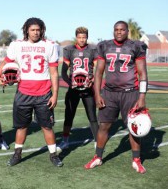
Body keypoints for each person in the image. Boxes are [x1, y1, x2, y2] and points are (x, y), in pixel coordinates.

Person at [0, 17, 63, 167]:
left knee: (47, 126)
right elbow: (6, 61)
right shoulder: (17, 45)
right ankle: (17, 154)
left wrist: (55, 94)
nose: (35, 33)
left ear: (42, 30)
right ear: (26, 30)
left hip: (44, 92)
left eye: (38, 30)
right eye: (32, 30)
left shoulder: (50, 45)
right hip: (23, 92)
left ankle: (53, 155)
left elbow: (53, 72)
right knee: (22, 126)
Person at [84, 21, 148, 174]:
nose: (119, 32)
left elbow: (143, 73)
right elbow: (98, 72)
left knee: (134, 128)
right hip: (109, 93)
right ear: (113, 31)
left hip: (130, 92)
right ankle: (98, 157)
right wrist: (98, 94)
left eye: (122, 30)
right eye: (116, 30)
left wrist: (142, 96)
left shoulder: (136, 46)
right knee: (104, 125)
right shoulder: (104, 46)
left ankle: (136, 160)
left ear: (127, 31)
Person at [57, 27, 98, 151]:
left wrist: (93, 80)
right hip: (73, 89)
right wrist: (71, 83)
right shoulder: (69, 50)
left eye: (84, 37)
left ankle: (97, 142)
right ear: (76, 37)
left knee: (92, 116)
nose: (81, 40)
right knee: (69, 115)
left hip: (88, 89)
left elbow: (98, 69)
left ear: (87, 37)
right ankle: (65, 141)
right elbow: (63, 72)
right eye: (79, 37)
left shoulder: (92, 49)